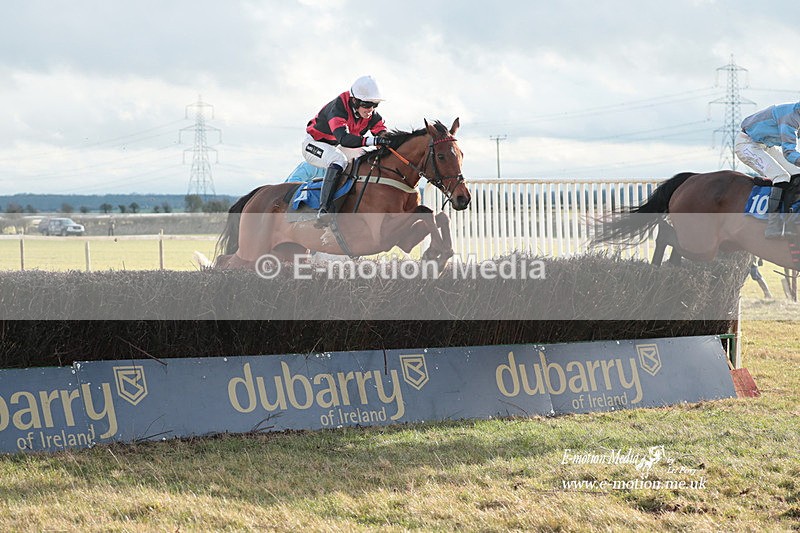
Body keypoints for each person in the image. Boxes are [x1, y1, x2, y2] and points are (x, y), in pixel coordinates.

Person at [302, 75, 391, 225]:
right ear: (354, 100)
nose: (370, 110)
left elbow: (382, 132)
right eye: (367, 104)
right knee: (338, 160)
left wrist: (386, 140)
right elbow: (343, 138)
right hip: (313, 145)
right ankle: (324, 210)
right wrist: (372, 140)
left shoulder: (371, 114)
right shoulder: (338, 108)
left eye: (375, 105)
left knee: (365, 159)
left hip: (336, 146)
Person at [735, 101, 800, 238]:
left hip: (767, 145)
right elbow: (789, 152)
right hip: (747, 144)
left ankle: (790, 222)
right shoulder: (790, 117)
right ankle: (773, 225)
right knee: (781, 177)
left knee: (797, 174)